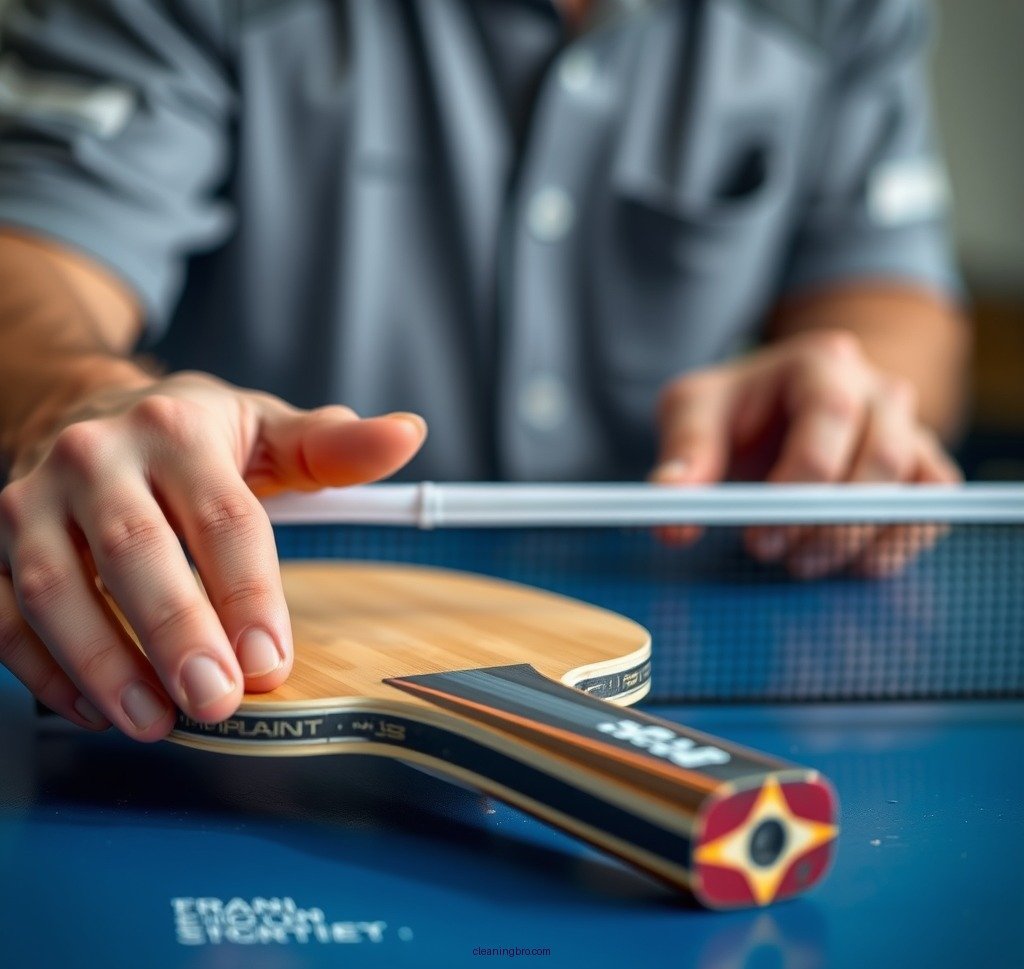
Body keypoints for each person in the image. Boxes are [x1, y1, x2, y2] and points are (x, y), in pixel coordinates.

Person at [0, 0, 967, 741]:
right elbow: (38, 257)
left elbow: (890, 292)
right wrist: (83, 400)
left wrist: (857, 391)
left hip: (702, 628)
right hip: (253, 624)